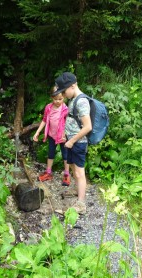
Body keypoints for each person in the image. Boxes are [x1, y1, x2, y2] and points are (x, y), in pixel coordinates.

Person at [52, 72, 92, 215]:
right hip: (71, 141)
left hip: (78, 143)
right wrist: (65, 135)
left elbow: (88, 127)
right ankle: (77, 191)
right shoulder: (73, 99)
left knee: (80, 172)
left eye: (64, 91)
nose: (63, 94)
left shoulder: (81, 101)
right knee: (75, 170)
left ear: (73, 86)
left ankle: (81, 204)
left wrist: (72, 141)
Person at [33, 86, 71, 186]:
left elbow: (69, 123)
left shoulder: (65, 109)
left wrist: (66, 134)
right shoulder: (48, 107)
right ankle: (48, 173)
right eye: (55, 99)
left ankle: (67, 174)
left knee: (65, 155)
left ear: (64, 97)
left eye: (60, 99)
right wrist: (37, 132)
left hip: (62, 137)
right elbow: (44, 120)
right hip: (51, 135)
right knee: (51, 154)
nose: (58, 101)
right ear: (51, 97)